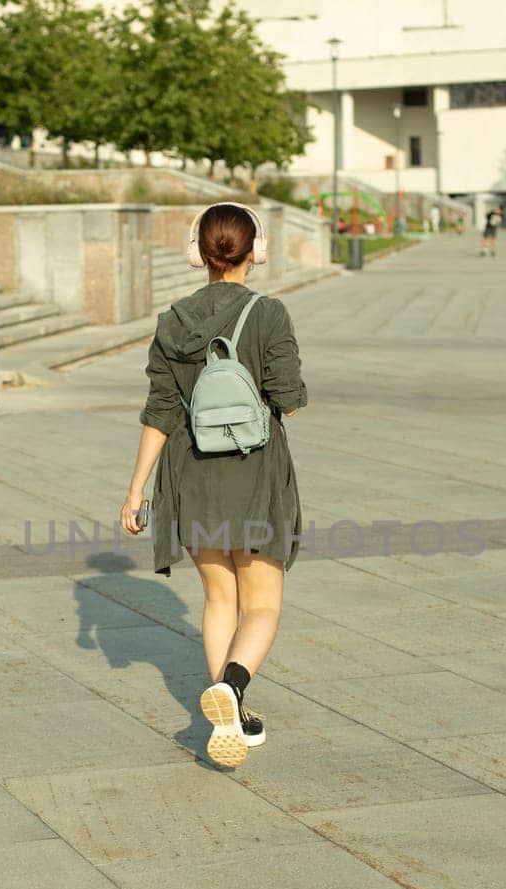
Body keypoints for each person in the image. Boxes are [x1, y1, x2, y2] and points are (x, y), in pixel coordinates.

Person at [120, 202, 307, 770]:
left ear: (197, 252)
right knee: (264, 605)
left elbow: (159, 411)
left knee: (219, 598)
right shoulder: (269, 313)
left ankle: (231, 710)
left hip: (191, 476)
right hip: (255, 475)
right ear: (256, 251)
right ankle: (231, 687)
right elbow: (290, 400)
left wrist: (135, 492)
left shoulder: (172, 319)